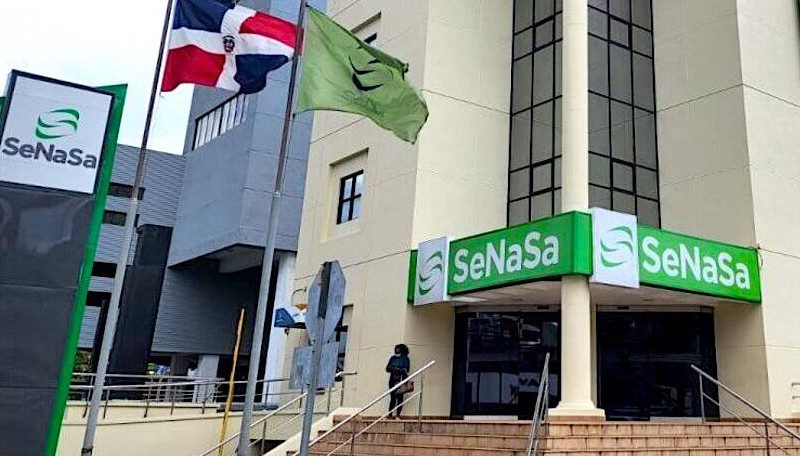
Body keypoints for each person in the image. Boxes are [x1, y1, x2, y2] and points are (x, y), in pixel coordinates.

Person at [385, 344, 410, 418]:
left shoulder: (405, 358)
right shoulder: (393, 358)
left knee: (400, 398)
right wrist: (396, 368)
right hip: (392, 379)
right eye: (396, 348)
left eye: (398, 349)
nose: (396, 350)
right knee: (392, 397)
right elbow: (387, 368)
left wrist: (395, 368)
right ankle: (390, 414)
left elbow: (406, 369)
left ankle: (398, 415)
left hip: (401, 379)